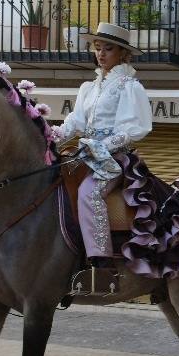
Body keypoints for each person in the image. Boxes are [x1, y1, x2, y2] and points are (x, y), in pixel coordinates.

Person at [55, 22, 150, 269]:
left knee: (90, 192)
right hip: (85, 155)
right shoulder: (88, 88)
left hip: (115, 159)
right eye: (98, 48)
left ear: (122, 53)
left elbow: (133, 130)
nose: (101, 54)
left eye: (108, 49)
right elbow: (75, 122)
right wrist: (50, 136)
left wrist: (100, 146)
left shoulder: (129, 86)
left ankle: (100, 262)